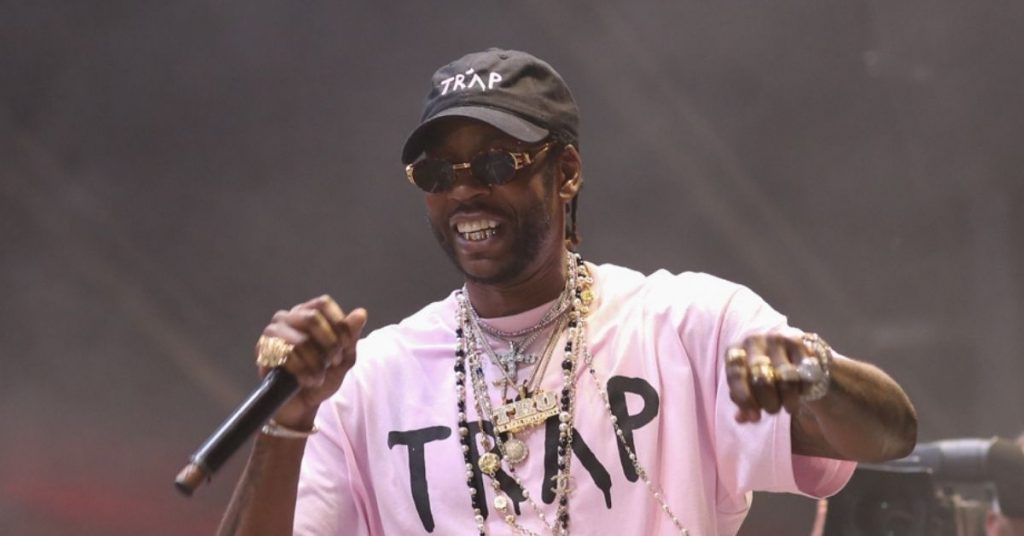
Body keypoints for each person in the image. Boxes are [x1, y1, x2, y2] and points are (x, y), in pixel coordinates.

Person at [217, 48, 917, 536]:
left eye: (497, 163)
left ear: (568, 171)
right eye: (438, 173)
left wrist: (813, 374)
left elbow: (891, 434)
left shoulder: (685, 325)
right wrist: (288, 421)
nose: (464, 191)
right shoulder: (370, 381)